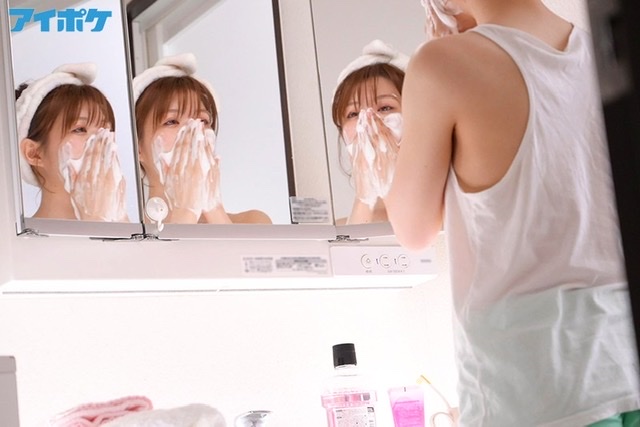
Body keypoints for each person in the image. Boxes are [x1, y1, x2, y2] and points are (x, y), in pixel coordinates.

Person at [385, 0, 640, 425]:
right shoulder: (601, 50)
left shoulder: (441, 64)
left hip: (535, 388)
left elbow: (413, 230)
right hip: (623, 363)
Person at [133, 53, 271, 225]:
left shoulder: (253, 223)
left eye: (203, 121)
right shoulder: (124, 232)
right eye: (171, 121)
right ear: (137, 148)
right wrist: (185, 210)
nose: (193, 132)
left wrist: (213, 208)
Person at [16, 62, 128, 222]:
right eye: (80, 129)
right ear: (34, 153)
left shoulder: (129, 228)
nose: (100, 142)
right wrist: (97, 220)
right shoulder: (14, 237)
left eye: (105, 130)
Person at [330, 40, 408, 225]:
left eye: (385, 107)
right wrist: (365, 195)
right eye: (353, 114)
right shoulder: (339, 230)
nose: (367, 121)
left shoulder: (450, 214)